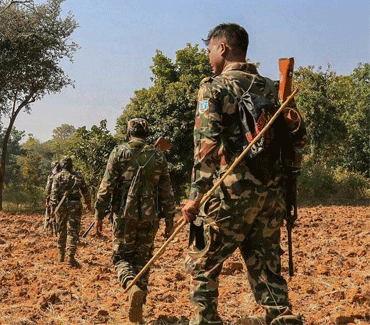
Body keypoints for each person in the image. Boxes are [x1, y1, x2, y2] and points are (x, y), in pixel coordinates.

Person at [180, 23, 306, 325]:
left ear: (222, 48)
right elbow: (297, 142)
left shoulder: (214, 88)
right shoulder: (272, 89)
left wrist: (195, 198)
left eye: (210, 49)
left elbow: (206, 150)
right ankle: (280, 316)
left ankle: (207, 320)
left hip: (230, 193)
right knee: (265, 265)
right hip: (270, 194)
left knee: (203, 263)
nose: (209, 56)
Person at [93, 118, 176, 324]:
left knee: (120, 258)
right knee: (144, 260)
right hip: (150, 217)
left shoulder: (118, 152)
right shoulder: (158, 156)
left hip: (123, 216)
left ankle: (131, 284)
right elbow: (167, 192)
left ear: (129, 132)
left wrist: (99, 216)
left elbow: (106, 187)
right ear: (147, 133)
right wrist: (170, 220)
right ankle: (139, 306)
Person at [50, 156, 91, 267]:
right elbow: (85, 191)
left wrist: (53, 208)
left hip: (61, 206)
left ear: (62, 166)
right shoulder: (78, 176)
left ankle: (61, 255)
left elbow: (53, 194)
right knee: (73, 231)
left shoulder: (57, 177)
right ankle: (70, 257)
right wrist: (88, 203)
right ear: (72, 165)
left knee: (60, 229)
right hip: (75, 205)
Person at [44, 161, 62, 235]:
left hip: (53, 199)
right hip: (61, 200)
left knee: (50, 216)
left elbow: (47, 190)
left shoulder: (52, 177)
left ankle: (50, 233)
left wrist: (47, 200)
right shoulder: (63, 176)